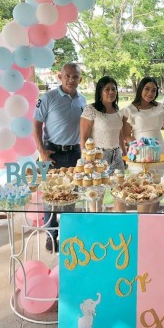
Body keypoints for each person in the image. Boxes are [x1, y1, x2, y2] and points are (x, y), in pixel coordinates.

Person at [33, 62, 86, 253]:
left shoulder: (82, 100)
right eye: (68, 76)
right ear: (60, 77)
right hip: (52, 154)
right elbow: (36, 124)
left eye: (76, 76)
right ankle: (50, 236)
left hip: (75, 155)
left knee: (70, 198)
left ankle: (68, 237)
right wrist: (41, 151)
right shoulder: (48, 98)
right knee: (50, 199)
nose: (72, 80)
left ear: (80, 79)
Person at [122, 76, 164, 172]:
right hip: (140, 153)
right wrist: (138, 148)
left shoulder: (160, 108)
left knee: (161, 182)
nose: (150, 93)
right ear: (140, 89)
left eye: (153, 90)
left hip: (159, 151)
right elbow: (126, 135)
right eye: (147, 89)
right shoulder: (129, 110)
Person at [80, 76, 126, 174]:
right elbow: (84, 138)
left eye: (114, 89)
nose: (111, 92)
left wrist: (124, 153)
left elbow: (120, 134)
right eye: (107, 89)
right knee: (99, 188)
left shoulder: (117, 111)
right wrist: (86, 160)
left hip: (117, 155)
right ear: (100, 92)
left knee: (119, 186)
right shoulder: (91, 110)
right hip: (98, 156)